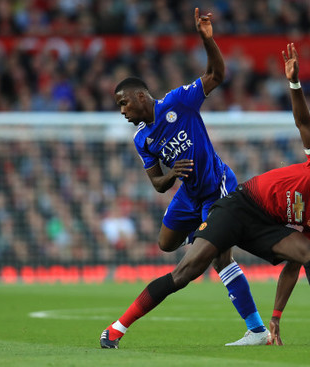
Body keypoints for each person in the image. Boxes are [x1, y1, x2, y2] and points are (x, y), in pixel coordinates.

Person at [100, 42, 310, 348]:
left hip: (227, 197)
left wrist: (277, 316)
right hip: (237, 204)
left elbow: (295, 263)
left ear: (140, 97)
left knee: (308, 254)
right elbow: (303, 123)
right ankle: (206, 235)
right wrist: (294, 83)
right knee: (172, 252)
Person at [100, 8, 269, 348]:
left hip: (217, 188)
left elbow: (217, 74)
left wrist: (208, 40)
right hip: (188, 195)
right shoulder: (142, 140)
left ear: (140, 97)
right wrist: (172, 176)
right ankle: (207, 235)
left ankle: (256, 330)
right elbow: (157, 183)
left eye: (123, 104)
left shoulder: (180, 102)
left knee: (208, 262)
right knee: (165, 244)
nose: (122, 112)